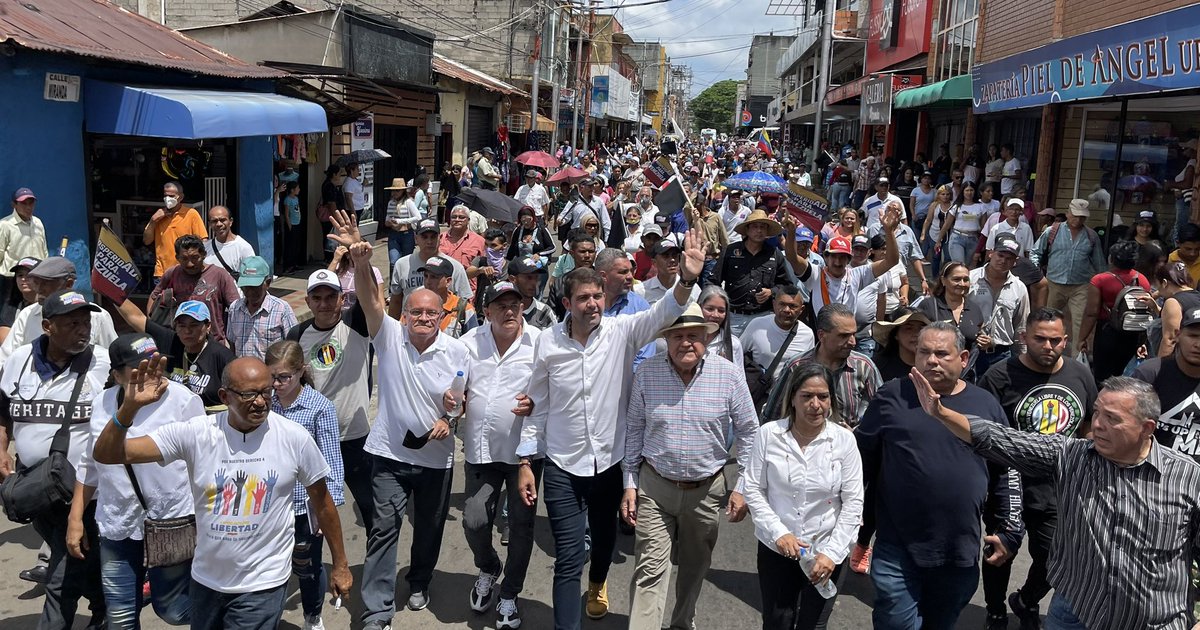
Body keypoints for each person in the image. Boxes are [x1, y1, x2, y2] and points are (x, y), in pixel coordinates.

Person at [515, 230, 704, 630]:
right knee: (568, 557)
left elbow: (661, 314)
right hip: (564, 466)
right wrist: (526, 460)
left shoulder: (623, 333)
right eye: (583, 298)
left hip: (610, 465)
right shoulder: (547, 344)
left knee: (602, 544)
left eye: (598, 297)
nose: (592, 305)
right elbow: (538, 405)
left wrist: (686, 280)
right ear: (567, 303)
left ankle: (598, 583)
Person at [918, 368, 1200, 630]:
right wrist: (941, 413)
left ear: (1147, 428)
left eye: (1112, 418)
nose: (1098, 425)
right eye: (1097, 413)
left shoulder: (1188, 478)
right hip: (1075, 613)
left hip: (1155, 622)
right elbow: (1001, 439)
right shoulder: (1071, 456)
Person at [92, 355, 352, 629]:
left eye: (266, 392)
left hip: (263, 583)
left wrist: (341, 564)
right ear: (225, 396)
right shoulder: (196, 434)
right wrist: (128, 409)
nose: (261, 402)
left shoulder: (294, 438)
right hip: (206, 582)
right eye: (249, 394)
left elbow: (323, 503)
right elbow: (107, 453)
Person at [857, 322, 1023, 629]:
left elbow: (1005, 472)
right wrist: (853, 528)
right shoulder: (891, 396)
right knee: (896, 622)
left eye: (941, 353)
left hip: (958, 550)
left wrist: (1009, 529)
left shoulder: (986, 404)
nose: (931, 360)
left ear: (962, 358)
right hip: (898, 546)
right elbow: (861, 463)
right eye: (924, 352)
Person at [349, 238, 471, 626]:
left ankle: (419, 580)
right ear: (404, 317)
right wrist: (362, 262)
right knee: (384, 529)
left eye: (430, 313)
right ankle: (377, 610)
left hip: (436, 460)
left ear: (442, 316)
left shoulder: (458, 352)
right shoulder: (388, 336)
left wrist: (448, 420)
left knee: (430, 530)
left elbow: (461, 401)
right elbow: (370, 299)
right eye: (415, 312)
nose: (422, 318)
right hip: (389, 456)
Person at [621, 303, 758, 630]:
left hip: (706, 492)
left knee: (694, 569)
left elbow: (750, 431)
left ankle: (683, 622)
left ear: (706, 339)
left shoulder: (727, 374)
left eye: (694, 336)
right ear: (666, 339)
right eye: (678, 335)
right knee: (649, 574)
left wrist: (743, 487)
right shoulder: (647, 373)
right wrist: (629, 483)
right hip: (655, 488)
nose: (686, 342)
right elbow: (634, 430)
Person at [70, 332, 204, 629]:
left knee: (172, 609)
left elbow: (203, 464)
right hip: (118, 524)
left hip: (171, 522)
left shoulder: (183, 401)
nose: (150, 374)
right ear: (117, 375)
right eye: (138, 369)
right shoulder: (102, 403)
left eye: (155, 365)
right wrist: (76, 517)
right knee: (119, 617)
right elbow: (89, 463)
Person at [975, 307, 1097, 628]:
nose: (1048, 346)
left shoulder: (1080, 374)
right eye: (1040, 338)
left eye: (1056, 340)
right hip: (1007, 487)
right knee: (1001, 553)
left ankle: (1027, 599)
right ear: (1023, 337)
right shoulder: (998, 377)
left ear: (1065, 341)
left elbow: (1087, 426)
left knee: (1055, 559)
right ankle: (996, 609)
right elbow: (983, 435)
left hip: (1060, 488)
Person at [0, 290, 112, 629]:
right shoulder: (18, 359)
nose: (83, 330)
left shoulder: (104, 364)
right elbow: (3, 412)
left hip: (84, 493)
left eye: (86, 322)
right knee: (82, 558)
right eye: (73, 323)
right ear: (48, 326)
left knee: (62, 572)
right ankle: (106, 606)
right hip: (34, 487)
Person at [744, 363, 863, 630]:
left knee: (813, 624)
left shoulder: (844, 441)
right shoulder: (769, 435)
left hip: (827, 549)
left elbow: (854, 501)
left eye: (822, 396)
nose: (815, 404)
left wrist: (832, 554)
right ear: (793, 399)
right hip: (778, 549)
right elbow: (753, 488)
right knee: (777, 621)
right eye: (807, 396)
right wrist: (778, 533)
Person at [459, 282, 542, 629]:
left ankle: (509, 593)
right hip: (481, 452)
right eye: (501, 305)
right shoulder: (468, 343)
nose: (510, 311)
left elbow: (554, 389)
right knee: (475, 518)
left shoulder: (539, 342)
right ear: (487, 311)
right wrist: (453, 401)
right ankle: (489, 565)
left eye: (515, 304)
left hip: (524, 456)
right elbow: (452, 384)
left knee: (521, 528)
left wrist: (537, 402)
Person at [263, 340, 344, 630]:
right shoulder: (264, 403)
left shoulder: (319, 408)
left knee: (308, 567)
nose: (276, 384)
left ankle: (313, 617)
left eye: (283, 377)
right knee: (270, 567)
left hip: (303, 506)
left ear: (300, 372)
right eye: (271, 376)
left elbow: (332, 462)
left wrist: (327, 511)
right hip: (269, 504)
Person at [286, 269, 374, 534]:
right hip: (314, 440)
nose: (324, 304)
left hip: (355, 438)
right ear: (308, 301)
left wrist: (361, 261)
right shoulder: (297, 334)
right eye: (317, 297)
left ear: (341, 299)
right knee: (312, 514)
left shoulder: (356, 324)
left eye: (330, 297)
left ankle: (376, 572)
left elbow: (370, 295)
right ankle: (316, 569)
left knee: (373, 511)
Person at [764, 303, 882, 428]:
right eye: (844, 336)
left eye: (853, 334)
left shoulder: (864, 366)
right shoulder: (796, 367)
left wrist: (856, 434)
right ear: (821, 335)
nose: (852, 342)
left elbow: (883, 411)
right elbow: (772, 416)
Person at [784, 208, 901, 316]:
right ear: (825, 257)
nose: (837, 262)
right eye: (833, 256)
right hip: (822, 336)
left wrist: (888, 230)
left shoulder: (857, 275)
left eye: (842, 257)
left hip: (848, 335)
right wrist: (791, 232)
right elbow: (792, 257)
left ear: (849, 259)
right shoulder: (815, 275)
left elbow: (891, 261)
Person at [0, 257, 118, 361]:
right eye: (36, 283)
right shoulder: (27, 314)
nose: (39, 289)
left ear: (68, 284)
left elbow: (114, 358)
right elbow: (6, 358)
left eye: (46, 283)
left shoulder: (97, 316)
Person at [1030, 199, 1105, 355]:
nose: (1078, 220)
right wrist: (1038, 274)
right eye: (1075, 216)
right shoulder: (1052, 231)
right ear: (1068, 213)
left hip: (1081, 286)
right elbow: (1035, 252)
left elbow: (1099, 264)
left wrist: (1100, 286)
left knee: (1080, 323)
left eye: (1082, 217)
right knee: (1049, 319)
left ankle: (1077, 358)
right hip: (1053, 283)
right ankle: (1046, 351)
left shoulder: (1092, 236)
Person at [1078, 239, 1154, 381]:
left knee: (1102, 376)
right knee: (1124, 375)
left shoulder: (1100, 280)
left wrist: (1082, 338)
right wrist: (1143, 341)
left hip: (1107, 333)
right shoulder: (1142, 280)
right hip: (1133, 334)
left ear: (1111, 259)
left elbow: (1091, 313)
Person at [1134, 306, 1200, 460]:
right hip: (1150, 473)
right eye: (1193, 336)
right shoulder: (1150, 373)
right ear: (1177, 335)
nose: (1198, 344)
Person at [148, 235, 239, 345]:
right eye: (184, 259)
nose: (190, 264)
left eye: (195, 258)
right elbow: (154, 296)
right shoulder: (172, 273)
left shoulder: (219, 275)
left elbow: (235, 307)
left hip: (212, 343)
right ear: (177, 258)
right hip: (180, 343)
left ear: (204, 255)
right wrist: (151, 325)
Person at [712, 210, 791, 335]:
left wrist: (772, 292)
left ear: (767, 231)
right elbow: (713, 281)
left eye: (763, 227)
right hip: (734, 316)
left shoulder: (775, 254)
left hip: (763, 316)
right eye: (755, 226)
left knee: (760, 353)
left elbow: (787, 285)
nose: (759, 230)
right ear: (747, 230)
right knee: (731, 352)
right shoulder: (731, 251)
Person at [968, 235, 1031, 376]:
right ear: (991, 253)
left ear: (1015, 262)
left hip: (1002, 354)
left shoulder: (1019, 288)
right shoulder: (970, 279)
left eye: (1009, 258)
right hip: (970, 349)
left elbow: (1021, 325)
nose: (1003, 261)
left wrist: (1023, 358)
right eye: (1000, 255)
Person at [388, 217, 473, 318]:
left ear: (439, 238)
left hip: (444, 326)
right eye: (424, 237)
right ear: (416, 238)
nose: (429, 241)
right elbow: (396, 301)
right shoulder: (401, 264)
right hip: (410, 326)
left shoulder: (455, 267)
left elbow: (464, 303)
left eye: (433, 237)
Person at [916, 262, 990, 374]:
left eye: (966, 279)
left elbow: (979, 334)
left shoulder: (974, 309)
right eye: (956, 279)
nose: (962, 283)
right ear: (943, 280)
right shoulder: (928, 306)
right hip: (934, 371)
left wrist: (986, 342)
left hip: (966, 374)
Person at [225, 256, 298, 360]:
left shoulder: (282, 309)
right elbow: (232, 343)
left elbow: (293, 346)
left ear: (267, 283)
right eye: (246, 287)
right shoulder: (234, 308)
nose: (250, 292)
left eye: (255, 287)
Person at [596, 248, 656, 369]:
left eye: (630, 271)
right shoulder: (583, 305)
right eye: (623, 272)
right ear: (603, 276)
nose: (630, 277)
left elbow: (644, 358)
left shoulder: (640, 307)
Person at [740, 284, 815, 380]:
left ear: (801, 309)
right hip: (759, 391)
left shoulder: (807, 334)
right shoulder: (757, 326)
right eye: (782, 304)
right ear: (774, 304)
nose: (786, 310)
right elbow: (738, 355)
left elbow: (807, 369)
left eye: (792, 306)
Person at [143, 181, 207, 280]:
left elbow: (202, 242)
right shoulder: (158, 216)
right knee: (162, 296)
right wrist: (153, 221)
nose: (168, 199)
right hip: (162, 273)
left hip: (186, 271)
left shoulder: (191, 214)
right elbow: (147, 241)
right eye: (166, 195)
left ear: (180, 197)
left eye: (172, 196)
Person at [0, 187, 48, 305]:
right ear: (14, 205)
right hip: (13, 280)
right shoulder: (5, 225)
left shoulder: (38, 223)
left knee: (36, 312)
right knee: (10, 317)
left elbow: (44, 251)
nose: (28, 207)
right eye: (23, 203)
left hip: (37, 278)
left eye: (31, 203)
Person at [421, 254, 479, 338]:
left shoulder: (464, 309)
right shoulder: (415, 303)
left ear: (448, 281)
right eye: (426, 276)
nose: (428, 281)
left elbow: (474, 341)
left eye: (434, 277)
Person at [934, 181, 987, 266]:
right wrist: (939, 240)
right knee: (959, 265)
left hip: (973, 239)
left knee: (968, 266)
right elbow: (947, 224)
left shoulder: (981, 207)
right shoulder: (957, 206)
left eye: (971, 190)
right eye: (967, 190)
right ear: (963, 191)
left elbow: (984, 227)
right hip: (957, 238)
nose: (969, 193)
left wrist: (983, 243)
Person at [442, 204, 489, 293]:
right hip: (443, 290)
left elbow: (484, 266)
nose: (457, 220)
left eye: (461, 217)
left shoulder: (479, 241)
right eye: (454, 217)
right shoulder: (440, 239)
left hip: (467, 291)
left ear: (468, 220)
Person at [202, 206, 256, 280]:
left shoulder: (243, 247)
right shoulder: (205, 248)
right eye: (214, 221)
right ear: (210, 224)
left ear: (230, 221)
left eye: (222, 220)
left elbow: (252, 275)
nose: (219, 224)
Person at [699, 285, 744, 368]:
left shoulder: (733, 343)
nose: (716, 315)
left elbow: (740, 378)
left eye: (721, 311)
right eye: (710, 309)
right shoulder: (688, 340)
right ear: (699, 307)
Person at [642, 240, 699, 304]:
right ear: (654, 262)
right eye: (666, 256)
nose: (672, 260)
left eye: (674, 255)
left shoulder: (692, 289)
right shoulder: (642, 290)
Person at [508, 256, 557, 329]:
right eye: (529, 278)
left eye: (536, 277)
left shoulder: (545, 312)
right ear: (512, 279)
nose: (534, 283)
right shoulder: (498, 311)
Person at [383, 177, 420, 270]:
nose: (395, 193)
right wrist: (389, 222)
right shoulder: (391, 203)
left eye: (397, 191)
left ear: (403, 191)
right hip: (394, 234)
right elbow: (388, 216)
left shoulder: (408, 202)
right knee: (393, 262)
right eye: (393, 191)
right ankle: (393, 283)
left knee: (406, 262)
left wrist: (400, 221)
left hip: (407, 235)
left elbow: (418, 217)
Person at [0, 256, 38, 345]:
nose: (23, 279)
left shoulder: (48, 304)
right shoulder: (13, 304)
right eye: (20, 275)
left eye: (29, 275)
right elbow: (4, 337)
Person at [1169, 222, 1200, 286]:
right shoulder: (1169, 260)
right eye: (1188, 249)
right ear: (1178, 243)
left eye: (1197, 249)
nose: (1192, 254)